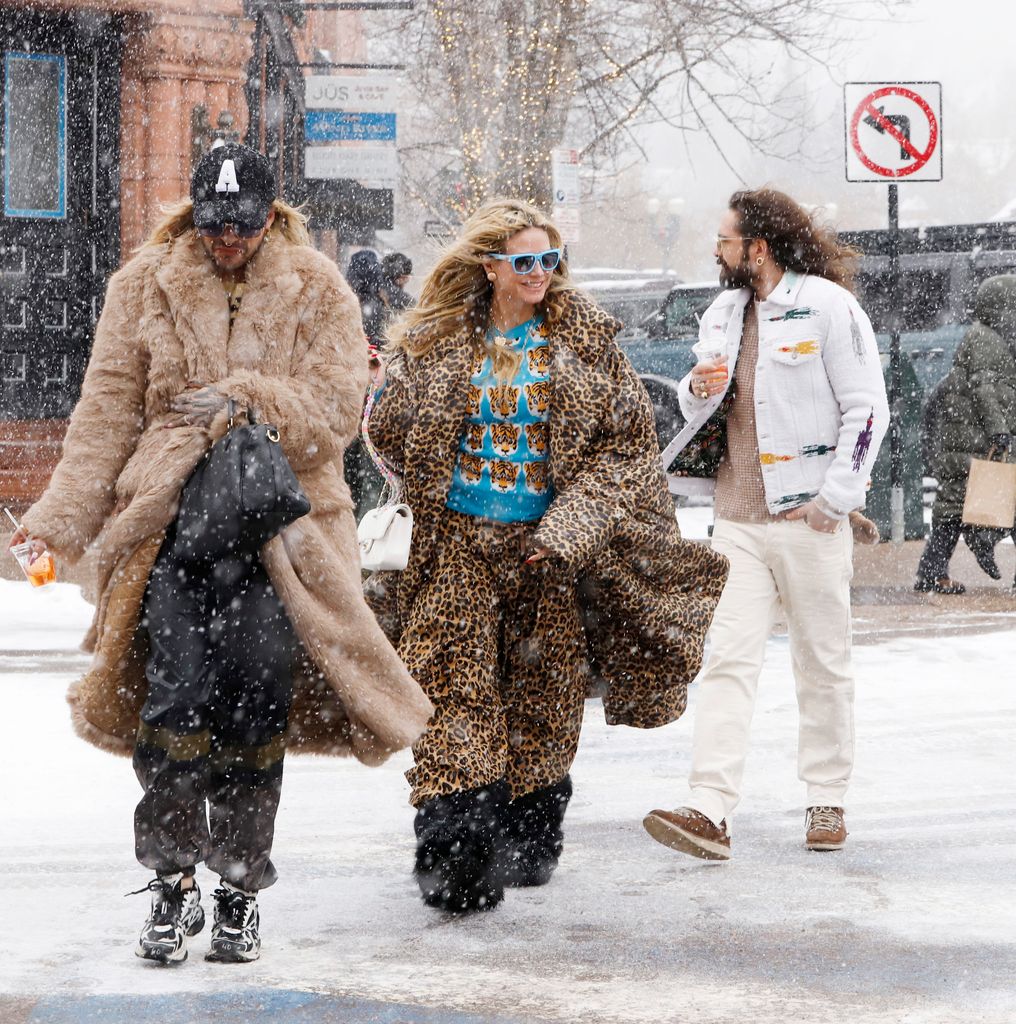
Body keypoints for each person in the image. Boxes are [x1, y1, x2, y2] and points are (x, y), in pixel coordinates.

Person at [7, 142, 431, 964]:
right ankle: (170, 884)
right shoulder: (143, 286)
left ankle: (239, 888)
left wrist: (245, 399)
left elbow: (339, 410)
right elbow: (104, 418)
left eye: (241, 224)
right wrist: (54, 525)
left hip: (283, 533)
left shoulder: (319, 287)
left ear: (271, 216)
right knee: (172, 705)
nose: (225, 238)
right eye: (212, 222)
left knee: (254, 706)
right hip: (170, 527)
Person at [364, 198, 728, 913]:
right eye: (524, 262)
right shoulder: (436, 342)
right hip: (456, 554)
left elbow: (622, 452)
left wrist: (565, 533)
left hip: (546, 556)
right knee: (451, 698)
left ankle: (529, 836)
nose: (539, 274)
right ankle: (456, 850)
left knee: (543, 704)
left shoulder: (585, 344)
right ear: (490, 266)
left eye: (548, 261)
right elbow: (389, 432)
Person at [643, 187, 889, 860]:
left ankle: (827, 800)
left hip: (808, 519)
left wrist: (834, 500)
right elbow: (714, 398)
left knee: (822, 664)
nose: (716, 252)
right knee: (726, 661)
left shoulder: (830, 307)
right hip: (737, 521)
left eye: (725, 240)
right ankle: (709, 809)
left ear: (758, 246)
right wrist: (696, 390)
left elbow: (867, 410)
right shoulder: (723, 310)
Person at [914, 274, 1016, 593]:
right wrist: (999, 431)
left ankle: (934, 571)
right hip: (973, 441)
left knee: (953, 510)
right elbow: (986, 389)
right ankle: (941, 567)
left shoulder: (987, 336)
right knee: (956, 509)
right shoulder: (987, 339)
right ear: (1002, 307)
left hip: (966, 438)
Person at [380, 251, 415, 324]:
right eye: (406, 278)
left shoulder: (378, 282)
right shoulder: (388, 289)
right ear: (399, 277)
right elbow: (412, 304)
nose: (406, 282)